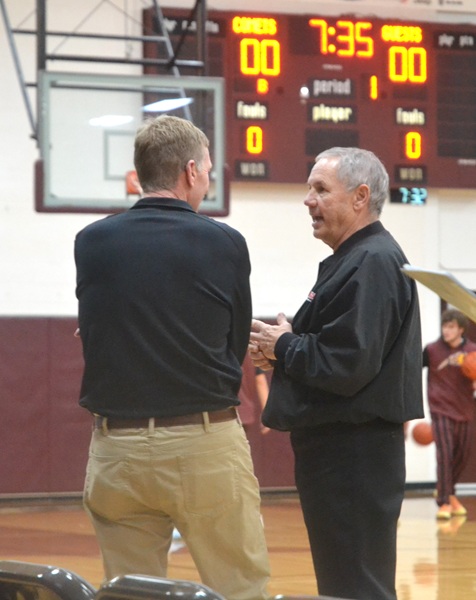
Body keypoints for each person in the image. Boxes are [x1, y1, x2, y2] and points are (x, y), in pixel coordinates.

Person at [74, 115, 270, 600]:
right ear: (189, 171)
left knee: (132, 594)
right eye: (207, 169)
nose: (208, 178)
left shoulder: (91, 241)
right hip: (203, 444)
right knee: (239, 589)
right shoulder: (224, 242)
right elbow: (233, 342)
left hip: (115, 448)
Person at [249, 147, 424, 600]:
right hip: (341, 453)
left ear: (361, 196)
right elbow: (339, 346)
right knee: (344, 582)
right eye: (310, 188)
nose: (309, 199)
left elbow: (349, 365)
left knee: (355, 586)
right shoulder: (356, 259)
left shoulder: (373, 261)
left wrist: (284, 345)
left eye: (321, 189)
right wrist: (286, 345)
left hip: (354, 457)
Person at [422, 309, 476, 520]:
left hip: (464, 409)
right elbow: (410, 367)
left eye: (451, 326)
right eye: (445, 326)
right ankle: (443, 501)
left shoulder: (472, 351)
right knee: (444, 455)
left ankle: (449, 492)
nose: (447, 330)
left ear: (461, 329)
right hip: (440, 409)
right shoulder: (432, 350)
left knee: (461, 456)